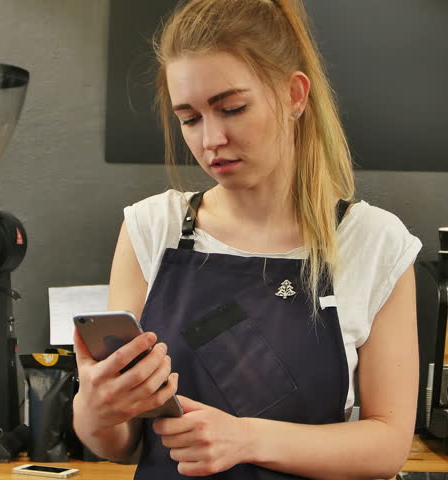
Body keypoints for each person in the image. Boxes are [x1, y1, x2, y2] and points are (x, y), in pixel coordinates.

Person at [72, 0, 421, 478]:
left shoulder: (375, 242)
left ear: (295, 95)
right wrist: (95, 408)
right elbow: (121, 443)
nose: (210, 139)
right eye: (189, 118)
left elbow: (387, 443)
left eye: (231, 108)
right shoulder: (152, 228)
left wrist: (245, 438)